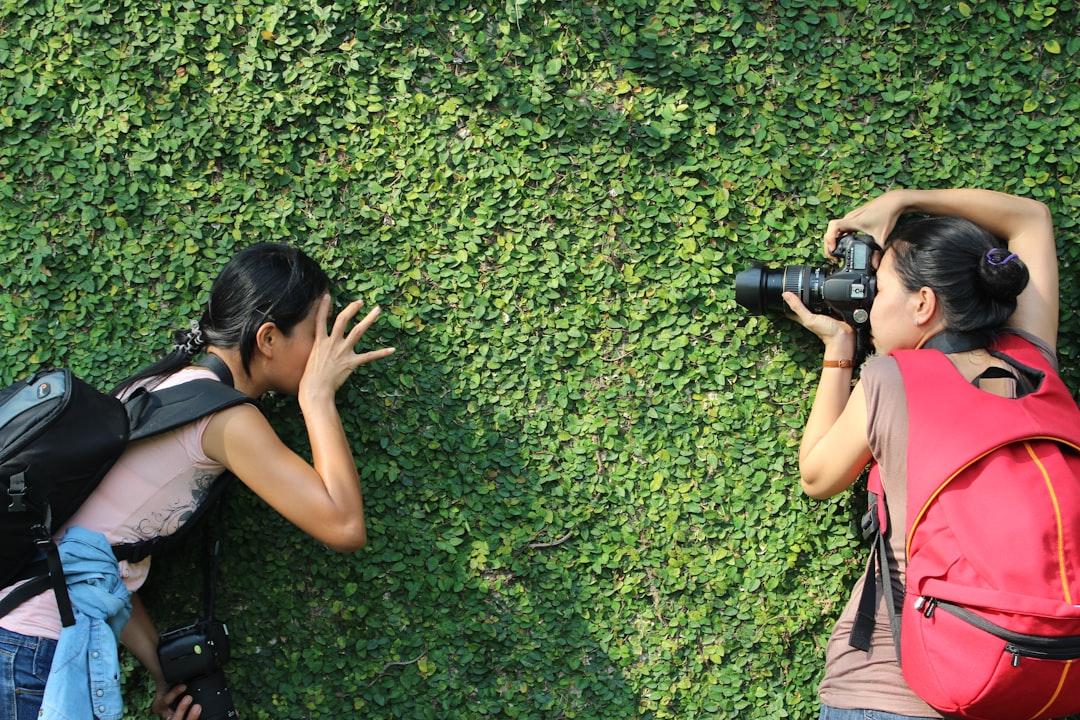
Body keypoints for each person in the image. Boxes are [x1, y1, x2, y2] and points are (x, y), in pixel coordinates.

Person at [0, 242, 395, 719]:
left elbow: (95, 557)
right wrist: (317, 399)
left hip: (18, 634)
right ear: (268, 338)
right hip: (37, 651)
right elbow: (344, 526)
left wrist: (166, 676)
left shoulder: (153, 388)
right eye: (318, 334)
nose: (326, 351)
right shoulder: (223, 418)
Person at [780, 188, 1058, 719]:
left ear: (923, 303)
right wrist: (903, 202)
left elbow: (817, 476)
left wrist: (840, 351)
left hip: (891, 688)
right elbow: (1030, 218)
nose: (870, 305)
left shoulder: (893, 378)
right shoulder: (1032, 359)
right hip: (1022, 675)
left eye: (880, 289)